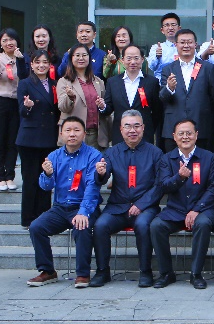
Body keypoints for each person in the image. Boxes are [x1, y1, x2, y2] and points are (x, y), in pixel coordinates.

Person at [90, 110, 164, 288]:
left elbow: (160, 185)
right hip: (118, 206)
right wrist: (100, 173)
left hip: (145, 207)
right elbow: (102, 178)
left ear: (143, 128)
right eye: (128, 126)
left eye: (137, 126)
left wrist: (141, 204)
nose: (132, 130)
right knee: (100, 225)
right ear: (121, 129)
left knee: (143, 225)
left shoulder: (155, 153)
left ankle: (145, 271)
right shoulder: (111, 152)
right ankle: (102, 271)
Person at [26, 117, 102, 288]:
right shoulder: (54, 156)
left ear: (84, 134)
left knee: (81, 226)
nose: (72, 134)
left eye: (76, 130)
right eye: (68, 130)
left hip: (84, 206)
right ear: (61, 134)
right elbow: (46, 187)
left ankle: (83, 273)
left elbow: (93, 187)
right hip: (60, 208)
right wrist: (47, 174)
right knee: (36, 227)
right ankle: (47, 271)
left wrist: (83, 212)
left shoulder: (94, 155)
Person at [150, 119, 214, 290]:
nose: (185, 137)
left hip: (202, 209)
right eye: (181, 133)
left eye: (189, 133)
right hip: (176, 209)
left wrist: (196, 209)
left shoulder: (208, 157)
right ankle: (166, 273)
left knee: (202, 224)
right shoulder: (167, 158)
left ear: (196, 135)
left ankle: (196, 273)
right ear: (174, 137)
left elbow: (213, 188)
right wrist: (179, 177)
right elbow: (164, 186)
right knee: (156, 226)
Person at [16, 49, 60, 226]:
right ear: (32, 65)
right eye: (37, 62)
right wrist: (28, 106)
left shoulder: (55, 84)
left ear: (50, 65)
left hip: (49, 138)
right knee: (30, 180)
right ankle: (28, 219)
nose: (41, 65)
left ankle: (44, 218)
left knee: (47, 178)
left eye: (45, 62)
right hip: (30, 138)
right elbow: (21, 111)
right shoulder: (25, 83)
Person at [158, 29, 214, 152]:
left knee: (201, 162)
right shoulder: (168, 69)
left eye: (189, 42)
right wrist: (169, 88)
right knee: (173, 162)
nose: (186, 45)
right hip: (173, 128)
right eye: (182, 42)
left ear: (195, 44)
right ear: (176, 45)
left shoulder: (207, 68)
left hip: (201, 126)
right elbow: (162, 98)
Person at [101, 44, 162, 146]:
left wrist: (149, 128)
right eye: (129, 58)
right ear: (123, 60)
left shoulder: (152, 82)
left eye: (136, 58)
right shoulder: (113, 82)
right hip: (120, 135)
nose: (133, 62)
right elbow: (109, 108)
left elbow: (157, 111)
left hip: (145, 135)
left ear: (142, 60)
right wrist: (102, 106)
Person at [0, 28, 22, 191]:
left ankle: (10, 176)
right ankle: (0, 176)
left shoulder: (20, 58)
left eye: (11, 39)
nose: (9, 43)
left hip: (15, 102)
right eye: (5, 40)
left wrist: (20, 60)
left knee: (12, 141)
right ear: (0, 44)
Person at [56, 44, 108, 148]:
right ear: (71, 58)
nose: (81, 58)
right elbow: (62, 107)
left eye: (84, 55)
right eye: (77, 55)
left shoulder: (98, 81)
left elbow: (106, 109)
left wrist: (102, 106)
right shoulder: (64, 81)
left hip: (96, 136)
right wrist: (70, 98)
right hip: (73, 135)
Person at [147, 13, 181, 81]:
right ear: (162, 30)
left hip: (182, 83)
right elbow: (152, 67)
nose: (170, 28)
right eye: (167, 25)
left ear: (179, 28)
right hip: (161, 84)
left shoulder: (186, 47)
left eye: (173, 25)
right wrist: (157, 57)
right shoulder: (156, 47)